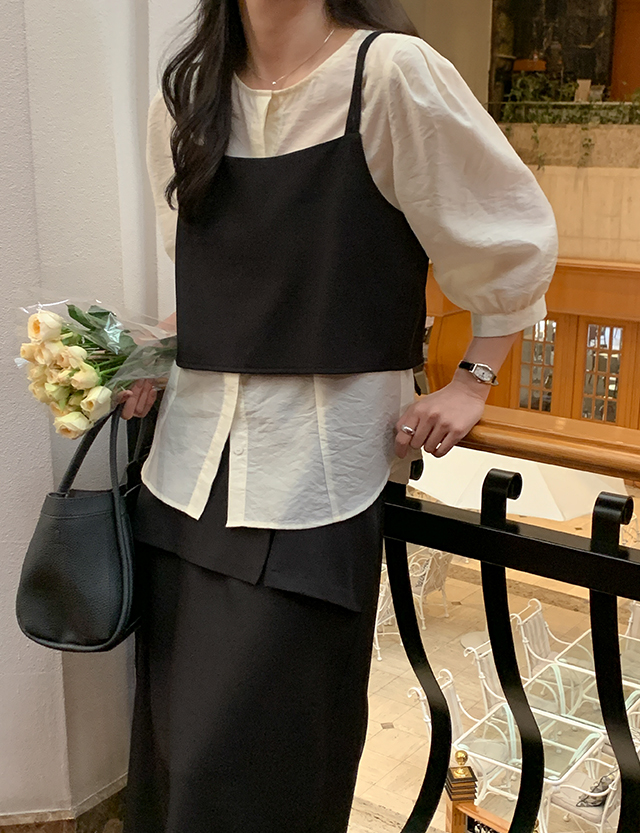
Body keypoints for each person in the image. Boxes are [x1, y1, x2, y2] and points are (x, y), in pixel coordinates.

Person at [119, 2, 558, 832]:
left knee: (265, 760)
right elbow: (205, 283)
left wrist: (473, 378)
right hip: (184, 479)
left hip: (313, 483)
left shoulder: (390, 75)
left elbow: (506, 232)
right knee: (173, 756)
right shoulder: (188, 93)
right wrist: (143, 353)